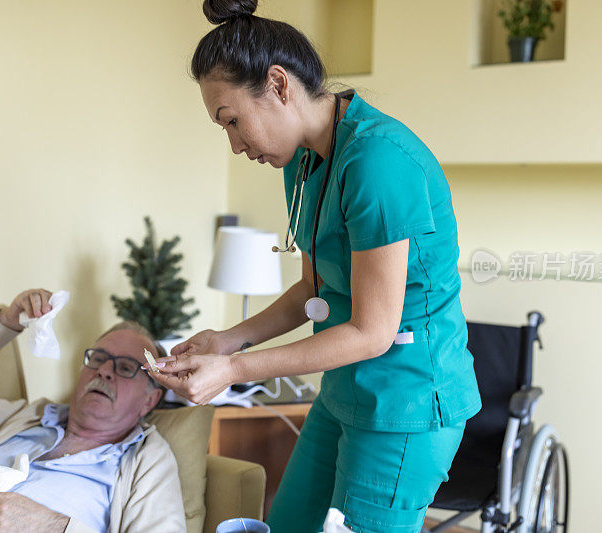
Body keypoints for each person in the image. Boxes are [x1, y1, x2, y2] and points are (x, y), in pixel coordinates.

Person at [149, 1, 482, 532]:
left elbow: (373, 333)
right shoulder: (303, 162)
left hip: (406, 402)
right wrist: (229, 341)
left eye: (233, 122)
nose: (234, 145)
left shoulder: (380, 163)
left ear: (278, 85)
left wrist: (234, 372)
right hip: (345, 390)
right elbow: (312, 289)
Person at [0, 289, 186, 533]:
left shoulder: (148, 459)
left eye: (125, 367)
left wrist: (53, 525)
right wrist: (6, 323)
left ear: (149, 400)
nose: (105, 371)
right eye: (98, 359)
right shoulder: (27, 418)